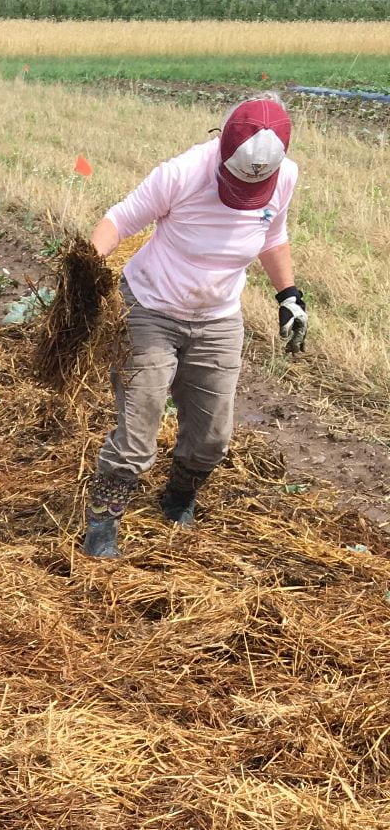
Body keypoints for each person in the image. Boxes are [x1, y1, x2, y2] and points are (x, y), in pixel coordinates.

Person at [80, 94, 307, 560]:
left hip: (219, 317)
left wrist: (289, 296)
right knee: (138, 432)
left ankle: (180, 494)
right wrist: (81, 274)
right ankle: (104, 518)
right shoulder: (182, 173)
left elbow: (273, 234)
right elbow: (119, 220)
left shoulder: (284, 175)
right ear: (222, 150)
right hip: (150, 309)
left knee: (212, 438)